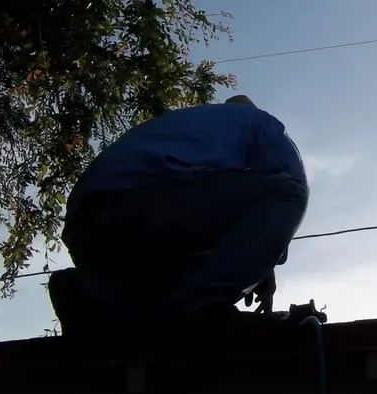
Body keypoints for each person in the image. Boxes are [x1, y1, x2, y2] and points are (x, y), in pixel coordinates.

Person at [48, 94, 309, 334]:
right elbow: (287, 181)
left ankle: (85, 296)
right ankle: (198, 309)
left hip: (87, 230)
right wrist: (265, 262)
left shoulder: (191, 126)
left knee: (176, 278)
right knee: (288, 195)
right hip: (139, 204)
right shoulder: (259, 122)